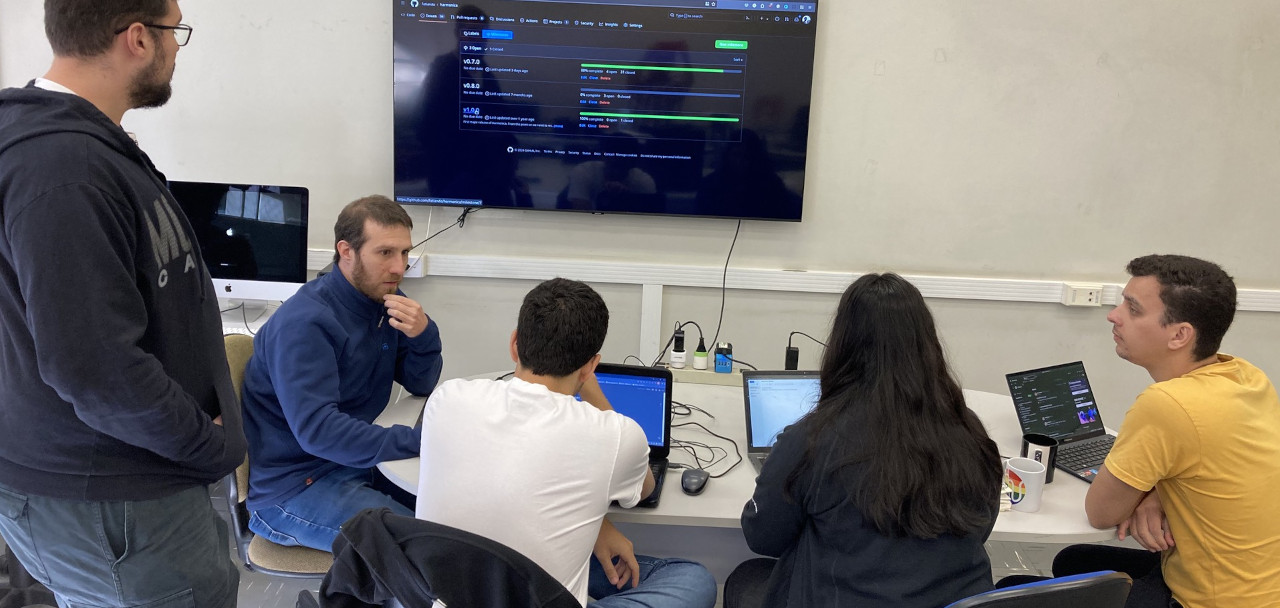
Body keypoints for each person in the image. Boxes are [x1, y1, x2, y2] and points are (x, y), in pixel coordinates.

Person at [0, 0, 244, 608]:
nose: (176, 49)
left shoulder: (81, 147)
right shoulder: (61, 168)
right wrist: (207, 447)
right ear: (138, 38)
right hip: (118, 504)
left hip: (123, 490)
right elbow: (93, 367)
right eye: (174, 32)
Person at [416, 278, 717, 608]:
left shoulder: (447, 399)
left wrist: (597, 528)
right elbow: (644, 490)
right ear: (590, 366)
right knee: (693, 579)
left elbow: (508, 475)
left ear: (515, 344)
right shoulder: (616, 434)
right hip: (540, 597)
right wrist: (592, 391)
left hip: (449, 595)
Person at [729, 273, 1002, 608]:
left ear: (843, 346)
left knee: (747, 580)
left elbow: (763, 538)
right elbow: (980, 527)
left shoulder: (812, 441)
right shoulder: (970, 433)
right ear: (926, 345)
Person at [1053, 255, 1280, 608]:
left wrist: (1146, 494)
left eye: (1133, 308)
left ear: (1179, 335)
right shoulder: (1246, 376)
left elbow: (1101, 514)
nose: (1113, 315)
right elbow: (1211, 460)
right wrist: (1158, 493)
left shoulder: (1166, 404)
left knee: (1015, 585)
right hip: (1263, 589)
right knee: (1073, 562)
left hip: (1208, 601)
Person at [241, 195, 443, 552]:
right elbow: (319, 432)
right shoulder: (306, 324)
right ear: (346, 251)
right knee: (430, 549)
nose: (399, 267)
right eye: (385, 253)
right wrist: (418, 441)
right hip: (294, 488)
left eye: (404, 253)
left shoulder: (382, 301)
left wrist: (423, 333)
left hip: (349, 463)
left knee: (458, 518)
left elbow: (421, 382)